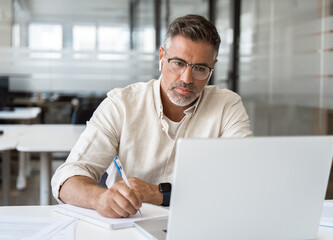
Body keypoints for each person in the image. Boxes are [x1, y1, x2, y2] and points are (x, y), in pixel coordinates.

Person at [51, 14, 252, 218]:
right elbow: (66, 179)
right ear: (161, 57)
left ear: (212, 68)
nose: (186, 78)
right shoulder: (122, 104)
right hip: (129, 224)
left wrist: (158, 194)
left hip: (202, 221)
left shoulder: (227, 106)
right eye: (178, 63)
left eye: (200, 68)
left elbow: (243, 180)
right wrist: (99, 199)